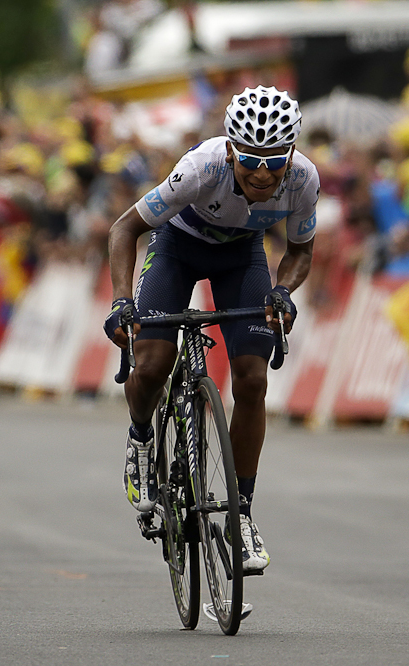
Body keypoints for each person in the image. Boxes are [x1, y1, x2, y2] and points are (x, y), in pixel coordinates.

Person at [104, 85, 319, 574]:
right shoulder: (201, 168)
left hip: (241, 257)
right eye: (251, 160)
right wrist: (121, 301)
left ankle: (241, 515)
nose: (262, 173)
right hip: (177, 249)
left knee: (253, 379)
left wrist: (283, 291)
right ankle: (141, 438)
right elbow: (124, 228)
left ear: (290, 153)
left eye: (274, 161)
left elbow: (300, 250)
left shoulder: (303, 179)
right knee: (153, 363)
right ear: (230, 150)